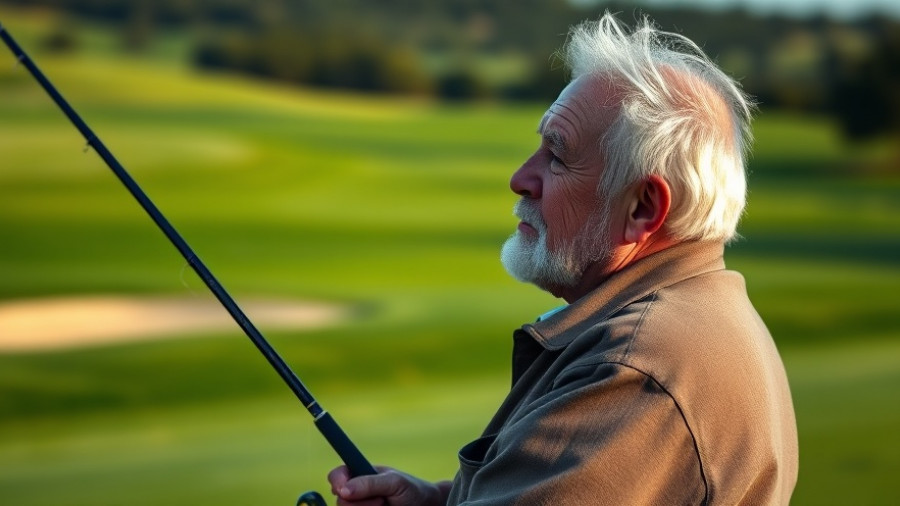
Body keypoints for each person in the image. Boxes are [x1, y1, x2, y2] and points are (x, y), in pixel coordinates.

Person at [327, 12, 798, 505]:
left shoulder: (634, 372)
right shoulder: (699, 313)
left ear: (643, 208)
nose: (521, 178)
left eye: (557, 156)